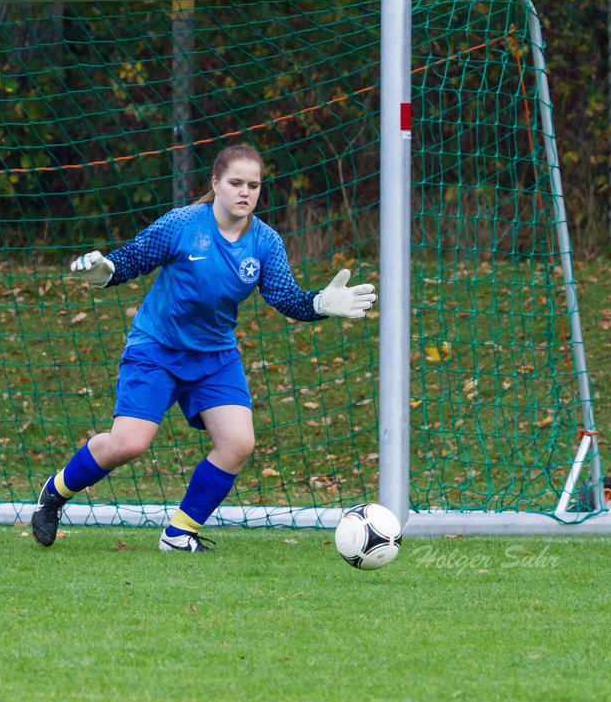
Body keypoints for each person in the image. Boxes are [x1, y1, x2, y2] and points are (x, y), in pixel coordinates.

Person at [32, 143, 376, 552]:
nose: (245, 192)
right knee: (129, 443)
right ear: (216, 183)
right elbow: (131, 260)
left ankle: (179, 534)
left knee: (238, 443)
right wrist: (104, 271)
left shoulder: (265, 242)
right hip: (156, 349)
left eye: (253, 185)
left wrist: (320, 303)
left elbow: (285, 298)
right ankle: (54, 492)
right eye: (235, 183)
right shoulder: (182, 224)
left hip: (215, 357)